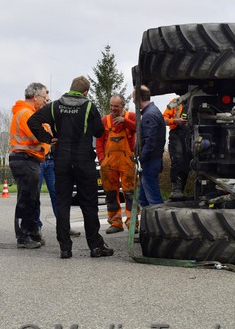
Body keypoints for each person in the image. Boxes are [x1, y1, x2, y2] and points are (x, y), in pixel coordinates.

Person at [28, 76, 113, 259]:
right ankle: (95, 246)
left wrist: (49, 138)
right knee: (89, 203)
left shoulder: (55, 105)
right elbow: (99, 131)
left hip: (62, 160)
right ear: (85, 92)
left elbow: (32, 122)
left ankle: (65, 248)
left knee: (63, 202)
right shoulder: (89, 106)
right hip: (84, 160)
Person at [8, 83, 49, 249]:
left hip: (27, 159)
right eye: (44, 98)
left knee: (32, 198)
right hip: (25, 159)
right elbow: (39, 136)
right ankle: (24, 236)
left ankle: (31, 232)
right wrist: (47, 132)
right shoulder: (26, 114)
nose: (45, 102)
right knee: (27, 198)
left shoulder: (26, 112)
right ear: (35, 97)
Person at [35, 108, 81, 238]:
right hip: (39, 160)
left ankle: (64, 226)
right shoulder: (34, 119)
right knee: (35, 195)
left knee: (58, 195)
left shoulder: (50, 123)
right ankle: (37, 227)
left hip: (51, 161)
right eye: (45, 100)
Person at [96, 94, 137, 234]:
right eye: (112, 106)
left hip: (127, 160)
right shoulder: (105, 120)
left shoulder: (131, 116)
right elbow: (99, 141)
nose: (113, 109)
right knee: (111, 193)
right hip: (108, 162)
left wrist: (125, 121)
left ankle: (132, 223)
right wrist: (101, 159)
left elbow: (140, 127)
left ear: (123, 106)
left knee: (130, 193)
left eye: (116, 106)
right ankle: (115, 223)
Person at [136, 85, 166, 208]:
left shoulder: (149, 115)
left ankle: (159, 225)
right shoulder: (153, 112)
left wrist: (140, 158)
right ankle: (146, 225)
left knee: (154, 201)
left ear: (139, 98)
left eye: (134, 97)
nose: (132, 101)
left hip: (149, 162)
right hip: (151, 160)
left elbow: (150, 142)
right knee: (143, 199)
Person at [163, 97, 190, 200]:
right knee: (178, 160)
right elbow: (163, 119)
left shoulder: (201, 99)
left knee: (190, 163)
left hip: (194, 134)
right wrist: (175, 121)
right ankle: (176, 189)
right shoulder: (176, 102)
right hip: (177, 134)